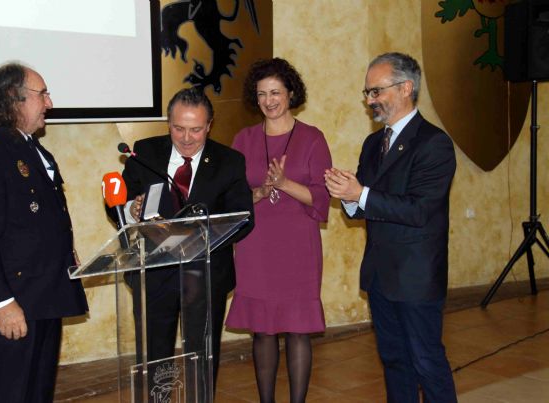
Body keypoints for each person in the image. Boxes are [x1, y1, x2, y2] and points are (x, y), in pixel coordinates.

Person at [0, 62, 88, 402]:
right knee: (8, 393)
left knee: (37, 392)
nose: (49, 104)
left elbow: (39, 221)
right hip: (13, 301)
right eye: (43, 95)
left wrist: (66, 255)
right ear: (14, 99)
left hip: (43, 293)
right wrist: (3, 303)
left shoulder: (30, 148)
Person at [324, 52, 457, 402]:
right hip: (381, 276)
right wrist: (348, 195)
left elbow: (419, 210)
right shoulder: (373, 143)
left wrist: (361, 193)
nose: (370, 101)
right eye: (367, 93)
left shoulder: (433, 143)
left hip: (415, 278)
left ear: (406, 88)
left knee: (426, 362)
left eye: (376, 91)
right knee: (395, 361)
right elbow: (364, 206)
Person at [120, 87, 254, 391]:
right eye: (178, 128)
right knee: (155, 356)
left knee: (202, 356)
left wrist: (202, 237)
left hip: (205, 276)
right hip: (153, 274)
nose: (186, 137)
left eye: (195, 129)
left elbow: (244, 219)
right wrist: (132, 208)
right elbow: (117, 202)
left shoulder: (229, 161)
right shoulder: (145, 153)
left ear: (209, 125)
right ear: (169, 123)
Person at [225, 58, 332, 403]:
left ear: (290, 93)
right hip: (256, 246)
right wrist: (258, 192)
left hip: (298, 245)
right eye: (261, 94)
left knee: (298, 332)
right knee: (262, 331)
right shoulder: (243, 139)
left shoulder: (313, 138)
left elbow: (321, 198)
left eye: (275, 92)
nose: (269, 100)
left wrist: (285, 183)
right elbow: (234, 196)